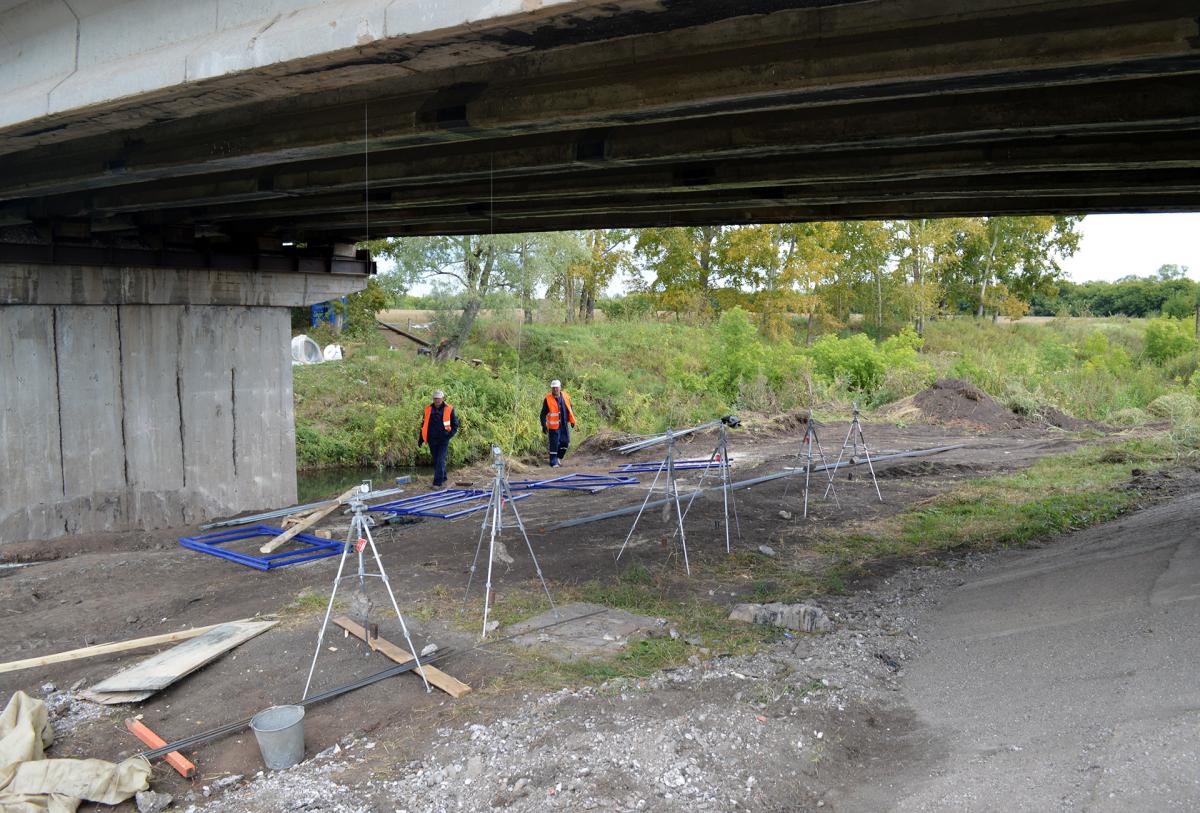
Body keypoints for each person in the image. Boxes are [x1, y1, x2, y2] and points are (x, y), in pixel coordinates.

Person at [417, 389, 458, 487]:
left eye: (439, 399)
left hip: (443, 439)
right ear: (433, 399)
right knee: (436, 460)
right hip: (432, 439)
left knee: (440, 459)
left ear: (442, 398)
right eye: (435, 398)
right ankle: (443, 476)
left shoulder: (449, 409)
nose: (437, 400)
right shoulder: (428, 409)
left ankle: (437, 483)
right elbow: (424, 425)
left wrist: (449, 435)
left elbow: (455, 425)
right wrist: (421, 439)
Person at [539, 379, 576, 467]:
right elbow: (542, 414)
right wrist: (544, 426)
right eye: (553, 388)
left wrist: (572, 420)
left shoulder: (566, 396)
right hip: (553, 427)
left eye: (557, 387)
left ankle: (558, 457)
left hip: (564, 425)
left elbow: (570, 409)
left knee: (565, 443)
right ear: (551, 388)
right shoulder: (547, 399)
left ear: (560, 387)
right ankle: (553, 461)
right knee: (554, 444)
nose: (555, 389)